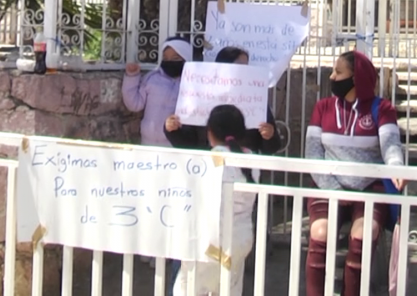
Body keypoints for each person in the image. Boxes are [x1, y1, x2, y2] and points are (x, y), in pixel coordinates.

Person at [305, 50, 404, 296]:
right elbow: (313, 155)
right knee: (320, 232)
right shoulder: (323, 107)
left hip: (369, 187)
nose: (332, 76)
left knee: (364, 233)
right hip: (328, 186)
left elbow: (391, 145)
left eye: (339, 72)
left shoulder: (382, 108)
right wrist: (335, 191)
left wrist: (396, 167)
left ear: (356, 77)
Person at [172, 105, 259, 296]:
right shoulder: (252, 158)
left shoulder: (211, 159)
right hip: (241, 242)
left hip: (212, 244)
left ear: (210, 131)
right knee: (228, 288)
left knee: (188, 288)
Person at [164, 46, 281, 154]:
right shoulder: (199, 98)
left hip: (244, 170)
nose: (245, 71)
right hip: (205, 168)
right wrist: (172, 130)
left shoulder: (257, 101)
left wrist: (269, 136)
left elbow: (271, 148)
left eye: (246, 66)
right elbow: (186, 144)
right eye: (239, 66)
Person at [122, 36, 193, 147]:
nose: (169, 62)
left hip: (174, 144)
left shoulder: (191, 84)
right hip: (147, 143)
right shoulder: (152, 78)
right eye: (165, 58)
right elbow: (134, 104)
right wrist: (132, 76)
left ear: (186, 59)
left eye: (175, 58)